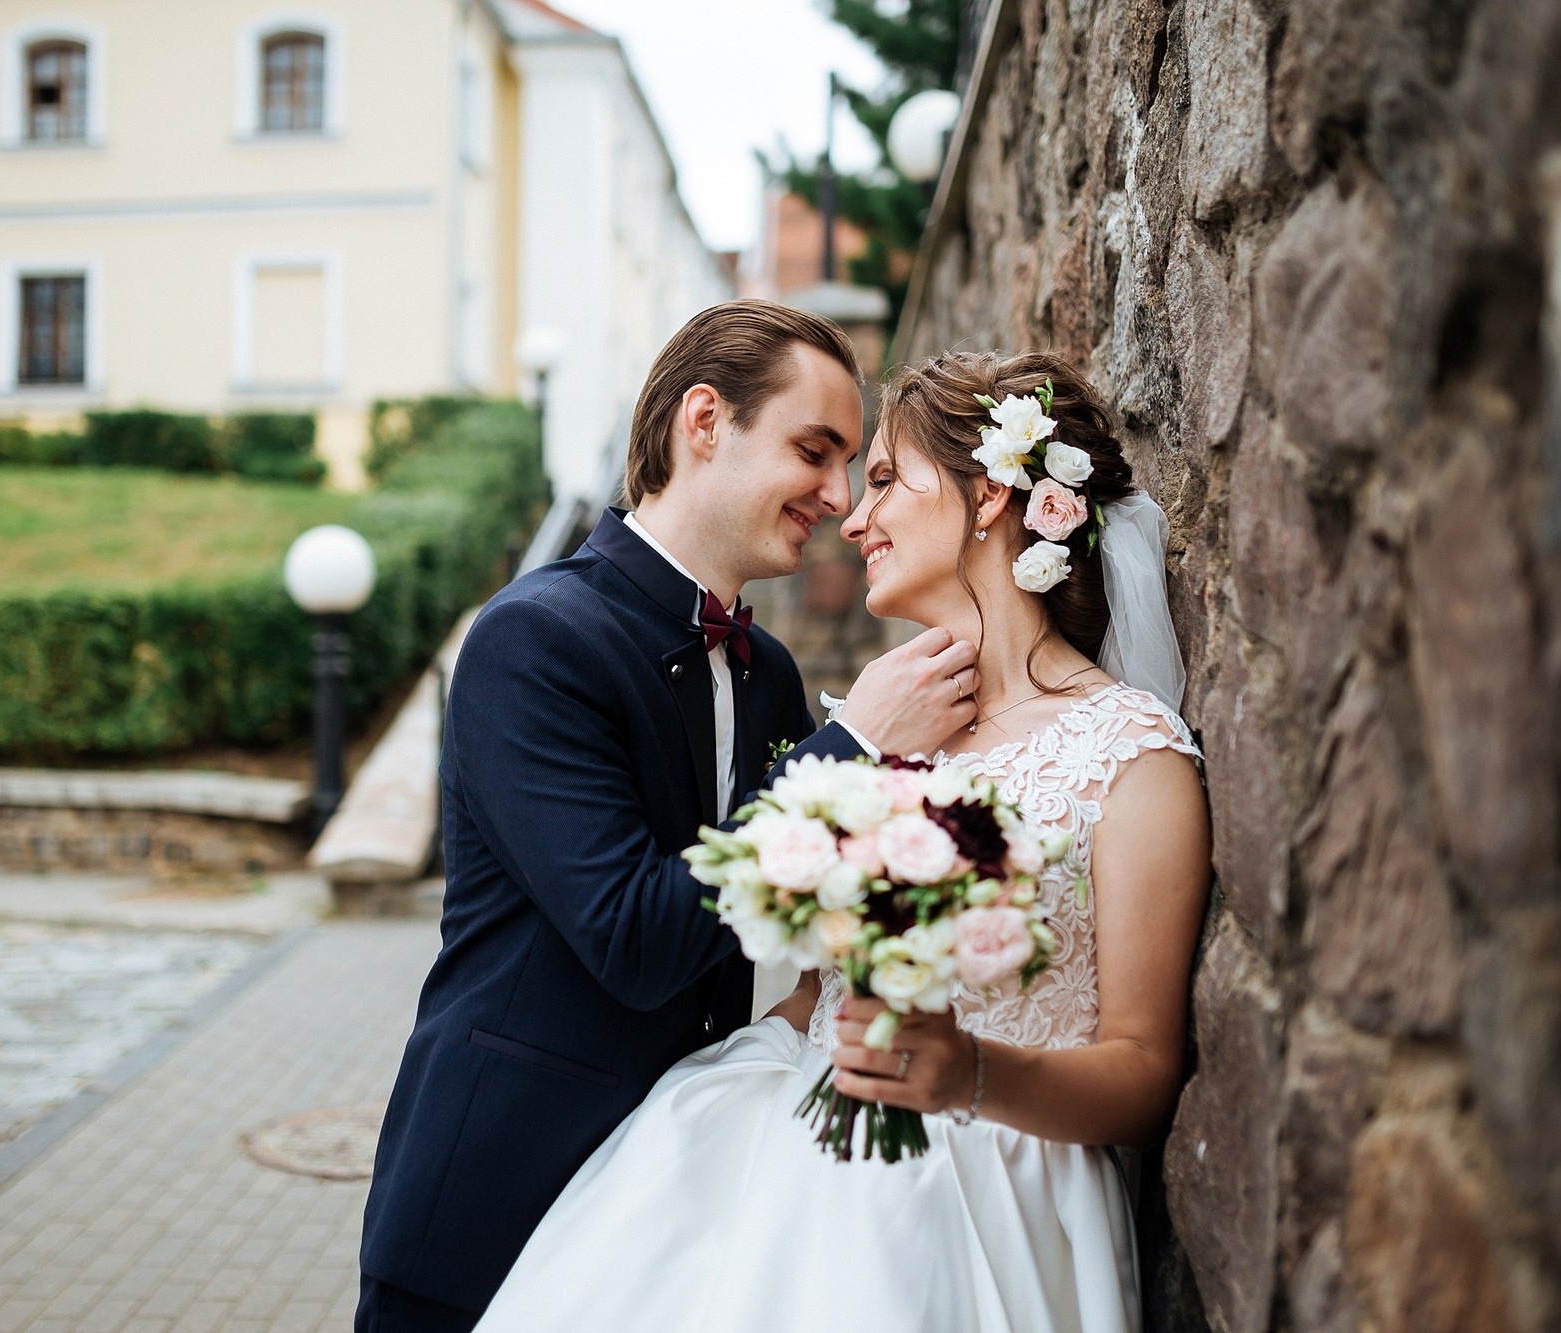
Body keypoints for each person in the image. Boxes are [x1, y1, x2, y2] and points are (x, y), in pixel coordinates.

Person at [473, 349, 1212, 1333]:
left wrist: (969, 1073)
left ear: (991, 494)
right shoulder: (888, 730)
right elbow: (817, 989)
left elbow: (1145, 1071)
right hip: (785, 1154)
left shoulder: (1127, 754)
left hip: (987, 1200)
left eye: (882, 479)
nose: (850, 517)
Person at [355, 301, 985, 1332]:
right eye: (814, 451)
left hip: (679, 1214)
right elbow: (635, 937)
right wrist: (852, 745)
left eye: (850, 465)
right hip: (496, 1203)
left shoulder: (768, 673)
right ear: (704, 421)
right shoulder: (531, 640)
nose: (837, 497)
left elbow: (789, 908)